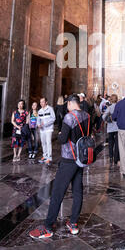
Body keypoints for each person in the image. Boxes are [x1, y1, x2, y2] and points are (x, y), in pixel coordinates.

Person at [29, 94, 90, 239]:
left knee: (57, 192)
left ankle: (48, 227)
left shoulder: (69, 117)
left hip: (69, 159)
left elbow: (62, 139)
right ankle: (73, 223)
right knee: (77, 190)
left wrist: (63, 133)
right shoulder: (87, 115)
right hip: (81, 158)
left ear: (69, 104)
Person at [37, 97, 56, 166]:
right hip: (42, 130)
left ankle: (49, 158)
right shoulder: (39, 111)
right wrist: (38, 125)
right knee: (43, 143)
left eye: (43, 102)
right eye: (40, 102)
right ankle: (44, 156)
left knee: (48, 143)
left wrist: (45, 124)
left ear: (46, 102)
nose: (41, 103)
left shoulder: (50, 109)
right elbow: (38, 120)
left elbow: (53, 118)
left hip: (49, 129)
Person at [102, 94, 119, 165]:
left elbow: (103, 116)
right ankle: (116, 158)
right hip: (118, 127)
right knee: (117, 143)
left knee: (111, 143)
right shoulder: (119, 107)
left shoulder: (109, 107)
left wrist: (107, 120)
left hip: (110, 128)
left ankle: (111, 157)